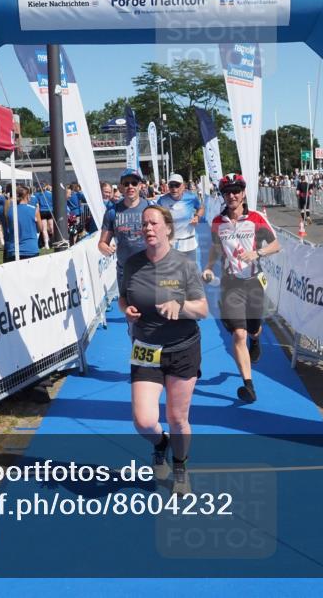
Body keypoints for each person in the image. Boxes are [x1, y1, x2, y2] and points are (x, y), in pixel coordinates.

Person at [120, 205, 208, 494]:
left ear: (168, 228)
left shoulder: (184, 265)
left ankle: (180, 465)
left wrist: (180, 306)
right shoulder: (133, 264)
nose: (148, 229)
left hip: (182, 348)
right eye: (144, 224)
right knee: (144, 421)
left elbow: (203, 310)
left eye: (153, 223)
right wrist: (127, 311)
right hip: (146, 347)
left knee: (176, 418)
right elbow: (123, 298)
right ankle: (161, 444)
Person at [202, 173, 280, 403]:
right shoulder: (218, 222)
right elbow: (216, 249)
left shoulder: (255, 218)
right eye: (227, 192)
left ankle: (256, 339)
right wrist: (208, 267)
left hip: (254, 282)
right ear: (223, 196)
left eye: (236, 191)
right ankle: (248, 385)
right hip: (230, 284)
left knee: (253, 329)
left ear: (243, 193)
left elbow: (276, 244)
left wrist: (257, 253)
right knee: (238, 333)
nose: (232, 195)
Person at [99, 169, 153, 288]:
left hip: (149, 270)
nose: (130, 186)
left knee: (151, 305)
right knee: (127, 306)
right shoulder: (112, 212)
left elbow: (164, 237)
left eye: (134, 183)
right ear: (121, 187)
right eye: (126, 183)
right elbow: (102, 243)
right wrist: (105, 248)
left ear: (140, 186)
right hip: (125, 271)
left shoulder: (151, 208)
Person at [157, 173, 204, 265]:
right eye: (171, 185)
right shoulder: (162, 200)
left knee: (190, 272)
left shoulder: (191, 197)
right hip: (171, 242)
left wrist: (197, 217)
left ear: (183, 186)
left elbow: (201, 208)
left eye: (177, 185)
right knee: (173, 273)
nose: (174, 188)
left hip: (189, 241)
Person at [2, 186, 43, 262]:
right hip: (30, 249)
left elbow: (9, 227)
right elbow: (40, 228)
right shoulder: (34, 210)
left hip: (13, 250)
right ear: (27, 196)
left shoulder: (10, 211)